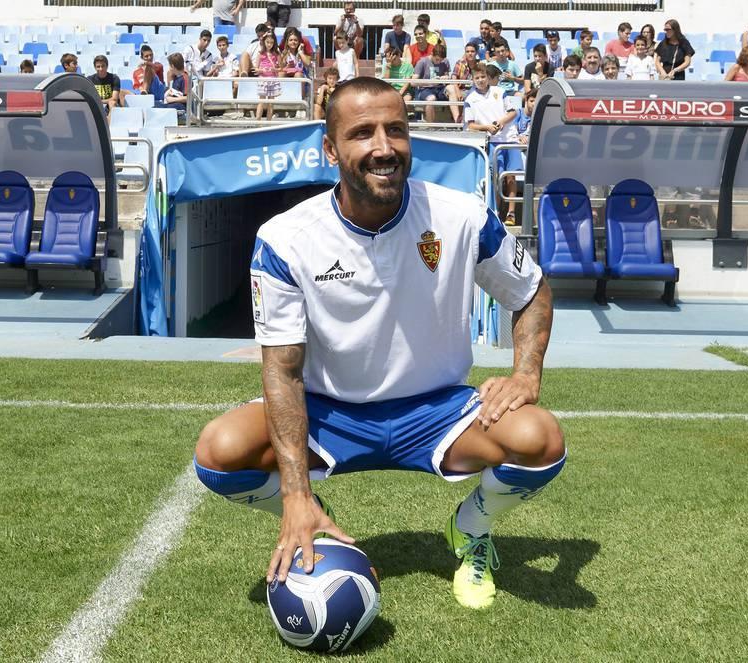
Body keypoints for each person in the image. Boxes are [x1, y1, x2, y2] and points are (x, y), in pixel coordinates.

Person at [194, 76, 564, 611]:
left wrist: (526, 374)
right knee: (219, 452)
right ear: (330, 149)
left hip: (436, 411)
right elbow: (282, 370)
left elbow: (530, 290)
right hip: (328, 413)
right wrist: (295, 493)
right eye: (362, 133)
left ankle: (471, 527)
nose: (383, 147)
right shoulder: (285, 239)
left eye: (396, 129)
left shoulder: (461, 217)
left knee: (541, 439)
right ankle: (309, 517)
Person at [464, 62, 522, 225]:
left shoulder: (500, 92)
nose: (481, 80)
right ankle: (495, 213)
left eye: (483, 77)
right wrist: (487, 127)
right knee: (495, 179)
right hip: (490, 142)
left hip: (509, 139)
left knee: (511, 177)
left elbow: (513, 112)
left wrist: (500, 122)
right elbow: (470, 125)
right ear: (473, 80)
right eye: (477, 78)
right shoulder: (470, 99)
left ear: (488, 78)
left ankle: (511, 213)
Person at [414, 43, 457, 123]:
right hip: (425, 90)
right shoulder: (422, 62)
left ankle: (457, 120)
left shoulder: (445, 62)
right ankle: (430, 126)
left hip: (440, 89)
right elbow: (413, 82)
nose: (439, 62)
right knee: (431, 99)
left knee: (451, 88)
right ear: (432, 54)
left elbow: (447, 76)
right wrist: (430, 83)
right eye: (437, 59)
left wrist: (445, 78)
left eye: (441, 60)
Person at [447, 42, 478, 122]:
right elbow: (453, 78)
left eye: (472, 51)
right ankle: (457, 120)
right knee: (451, 88)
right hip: (461, 89)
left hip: (474, 91)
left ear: (476, 53)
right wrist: (458, 91)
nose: (470, 54)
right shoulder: (460, 63)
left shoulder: (480, 64)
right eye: (467, 52)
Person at [255, 31, 281, 120]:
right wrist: (262, 70)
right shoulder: (260, 53)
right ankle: (257, 121)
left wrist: (275, 69)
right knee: (261, 101)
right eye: (267, 42)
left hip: (273, 79)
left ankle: (269, 121)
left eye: (271, 42)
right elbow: (256, 68)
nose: (269, 44)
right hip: (263, 79)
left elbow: (280, 68)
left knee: (271, 102)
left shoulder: (276, 54)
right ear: (264, 42)